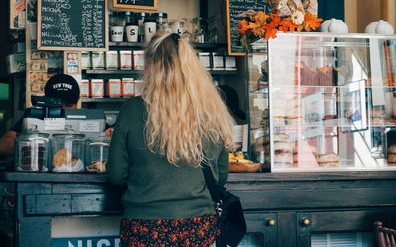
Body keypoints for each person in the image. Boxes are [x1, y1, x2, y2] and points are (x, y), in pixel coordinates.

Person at [107, 31, 234, 246]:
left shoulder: (132, 110)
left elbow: (117, 176)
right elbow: (220, 177)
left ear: (150, 66)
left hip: (144, 227)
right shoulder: (212, 110)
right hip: (199, 227)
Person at [0, 74, 80, 156]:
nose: (63, 110)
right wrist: (35, 146)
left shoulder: (86, 119)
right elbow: (3, 145)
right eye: (56, 105)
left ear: (77, 101)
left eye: (69, 105)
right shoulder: (35, 116)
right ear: (45, 100)